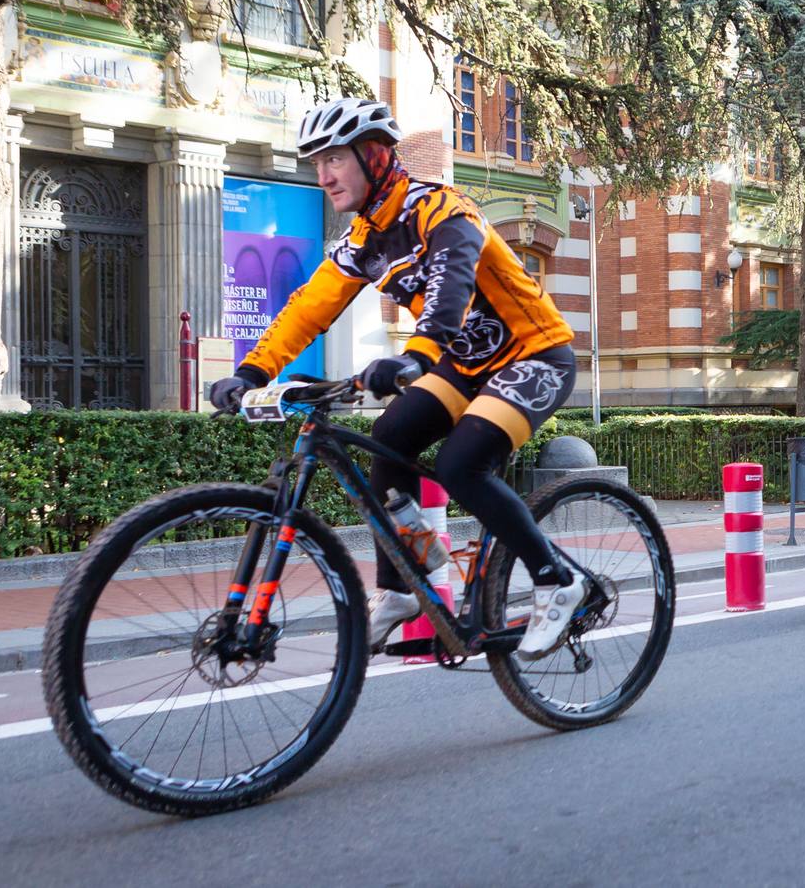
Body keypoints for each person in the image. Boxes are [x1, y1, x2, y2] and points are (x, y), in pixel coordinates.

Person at [205, 98, 582, 660]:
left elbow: (452, 283)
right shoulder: (364, 239)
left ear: (374, 156)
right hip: (459, 365)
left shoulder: (440, 209)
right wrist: (251, 371)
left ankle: (558, 581)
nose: (324, 174)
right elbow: (309, 306)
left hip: (533, 356)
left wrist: (415, 357)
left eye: (334, 158)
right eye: (317, 162)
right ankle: (403, 588)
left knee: (460, 464)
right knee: (388, 439)